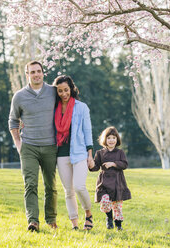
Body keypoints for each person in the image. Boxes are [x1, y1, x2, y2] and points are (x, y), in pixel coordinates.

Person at [8, 61, 58, 232]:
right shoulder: (19, 96)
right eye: (32, 72)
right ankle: (33, 221)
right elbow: (13, 121)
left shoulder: (53, 91)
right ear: (27, 74)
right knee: (30, 184)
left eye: (39, 71)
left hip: (50, 145)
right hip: (28, 146)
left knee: (50, 185)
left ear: (43, 73)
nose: (36, 74)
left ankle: (51, 219)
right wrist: (18, 143)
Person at [53, 75, 94, 230]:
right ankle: (75, 224)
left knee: (79, 186)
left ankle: (88, 214)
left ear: (71, 89)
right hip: (61, 154)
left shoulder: (81, 107)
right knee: (68, 191)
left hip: (79, 153)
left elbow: (87, 131)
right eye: (60, 91)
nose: (63, 93)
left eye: (66, 90)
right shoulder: (54, 108)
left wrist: (90, 155)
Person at [89, 126, 131, 231]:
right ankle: (109, 218)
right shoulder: (100, 153)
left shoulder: (120, 152)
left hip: (117, 182)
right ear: (105, 139)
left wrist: (113, 164)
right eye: (109, 138)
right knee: (105, 201)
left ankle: (118, 225)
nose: (111, 140)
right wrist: (90, 165)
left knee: (117, 206)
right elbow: (95, 167)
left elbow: (124, 164)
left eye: (113, 138)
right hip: (104, 183)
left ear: (117, 139)